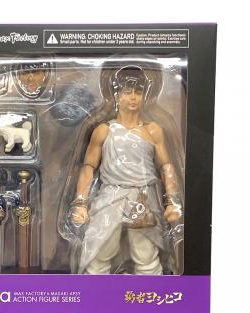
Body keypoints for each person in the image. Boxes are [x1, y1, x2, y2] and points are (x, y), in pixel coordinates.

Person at [71, 66, 182, 274]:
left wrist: (172, 202)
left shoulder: (152, 130)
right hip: (111, 195)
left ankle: (150, 293)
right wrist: (80, 204)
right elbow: (88, 168)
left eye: (138, 92)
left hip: (143, 197)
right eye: (127, 92)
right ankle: (92, 293)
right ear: (117, 95)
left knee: (146, 256)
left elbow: (166, 166)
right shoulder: (104, 130)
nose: (133, 97)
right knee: (99, 253)